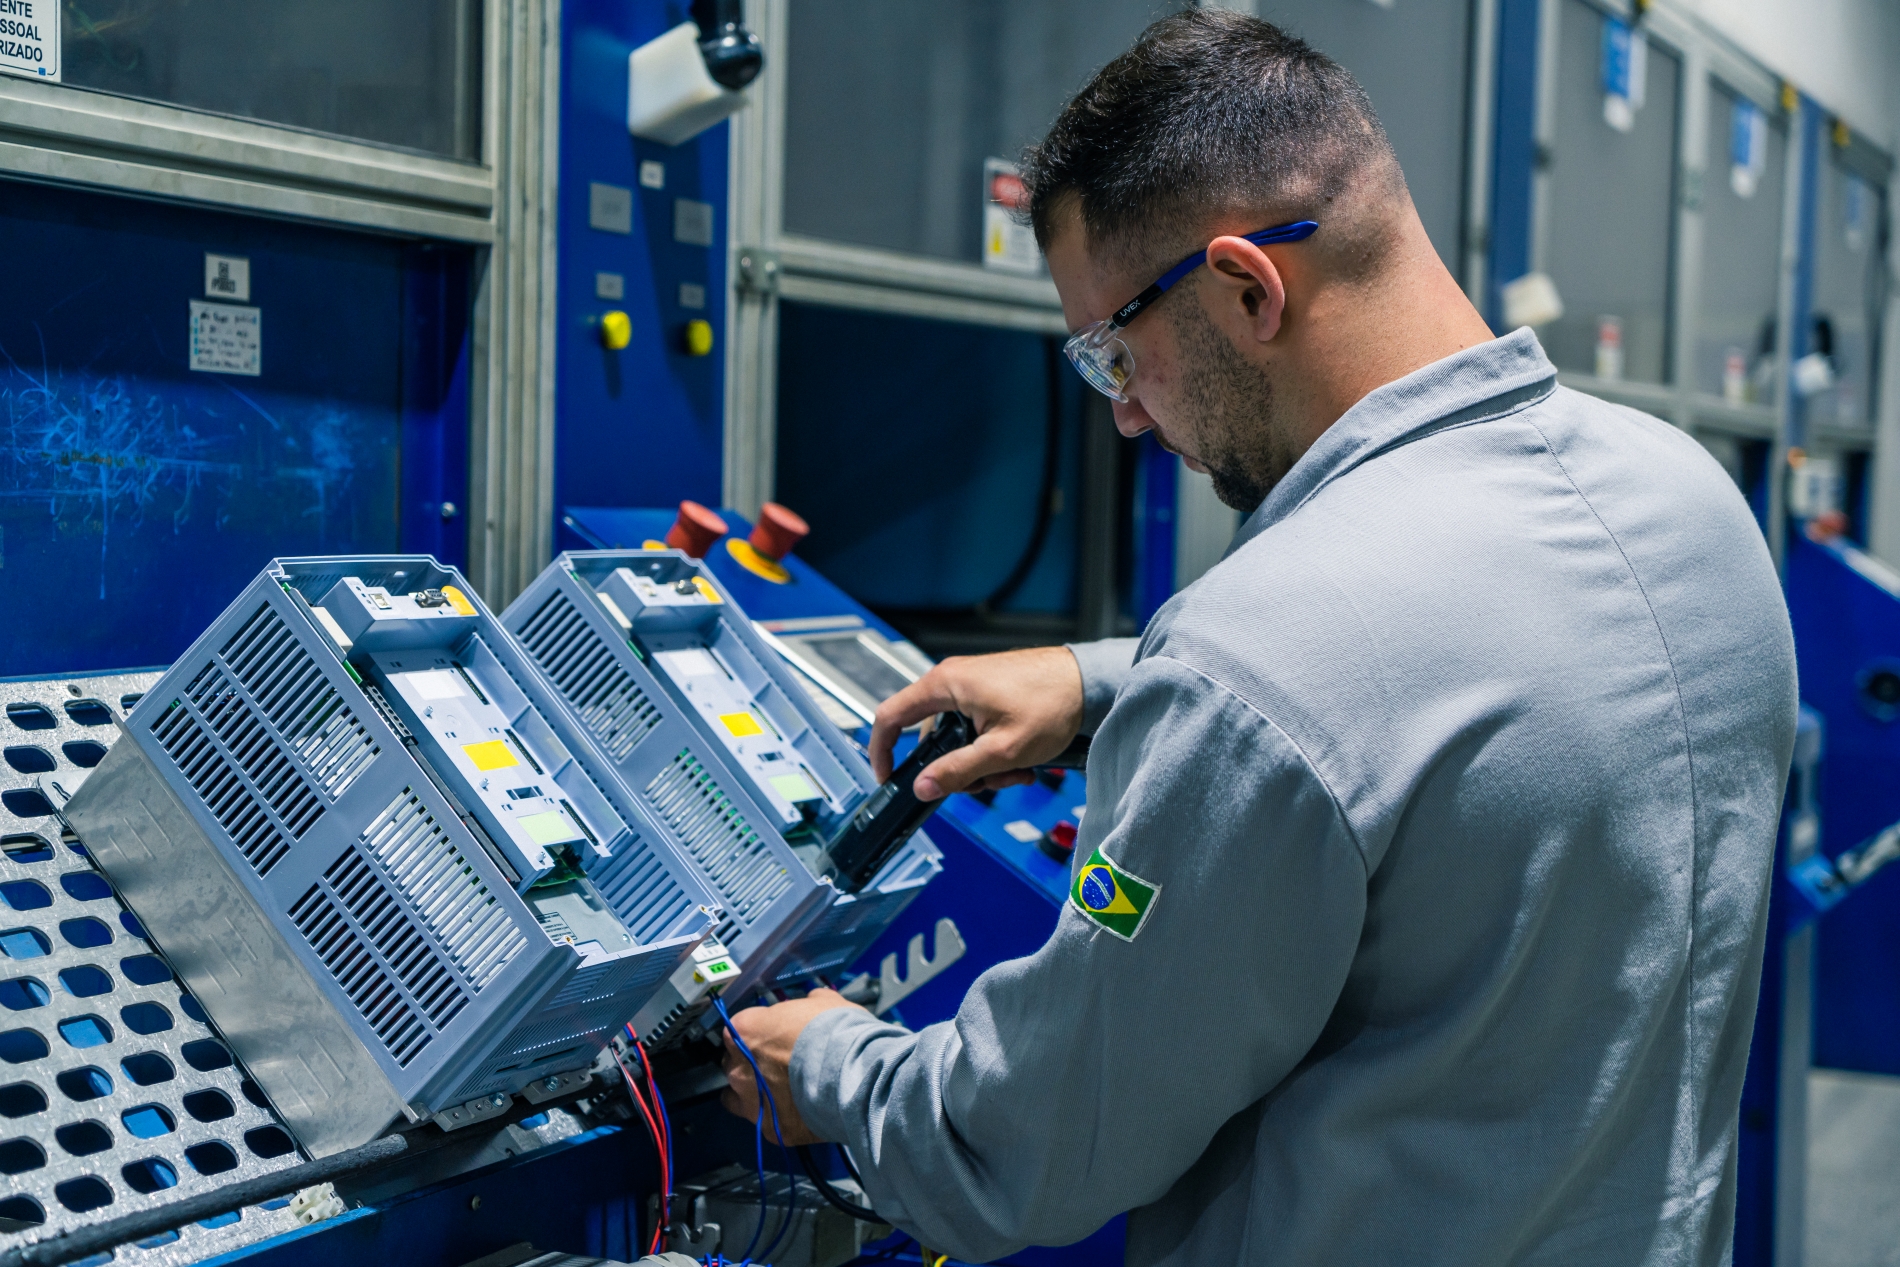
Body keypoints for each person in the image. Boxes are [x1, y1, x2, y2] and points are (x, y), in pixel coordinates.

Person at [721, 11, 1798, 1265]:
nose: (1126, 413)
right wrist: (1099, 681)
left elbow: (1032, 1146)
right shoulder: (1684, 498)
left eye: (1115, 351)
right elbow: (1453, 672)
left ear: (1246, 287)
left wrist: (832, 1066)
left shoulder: (1260, 662)